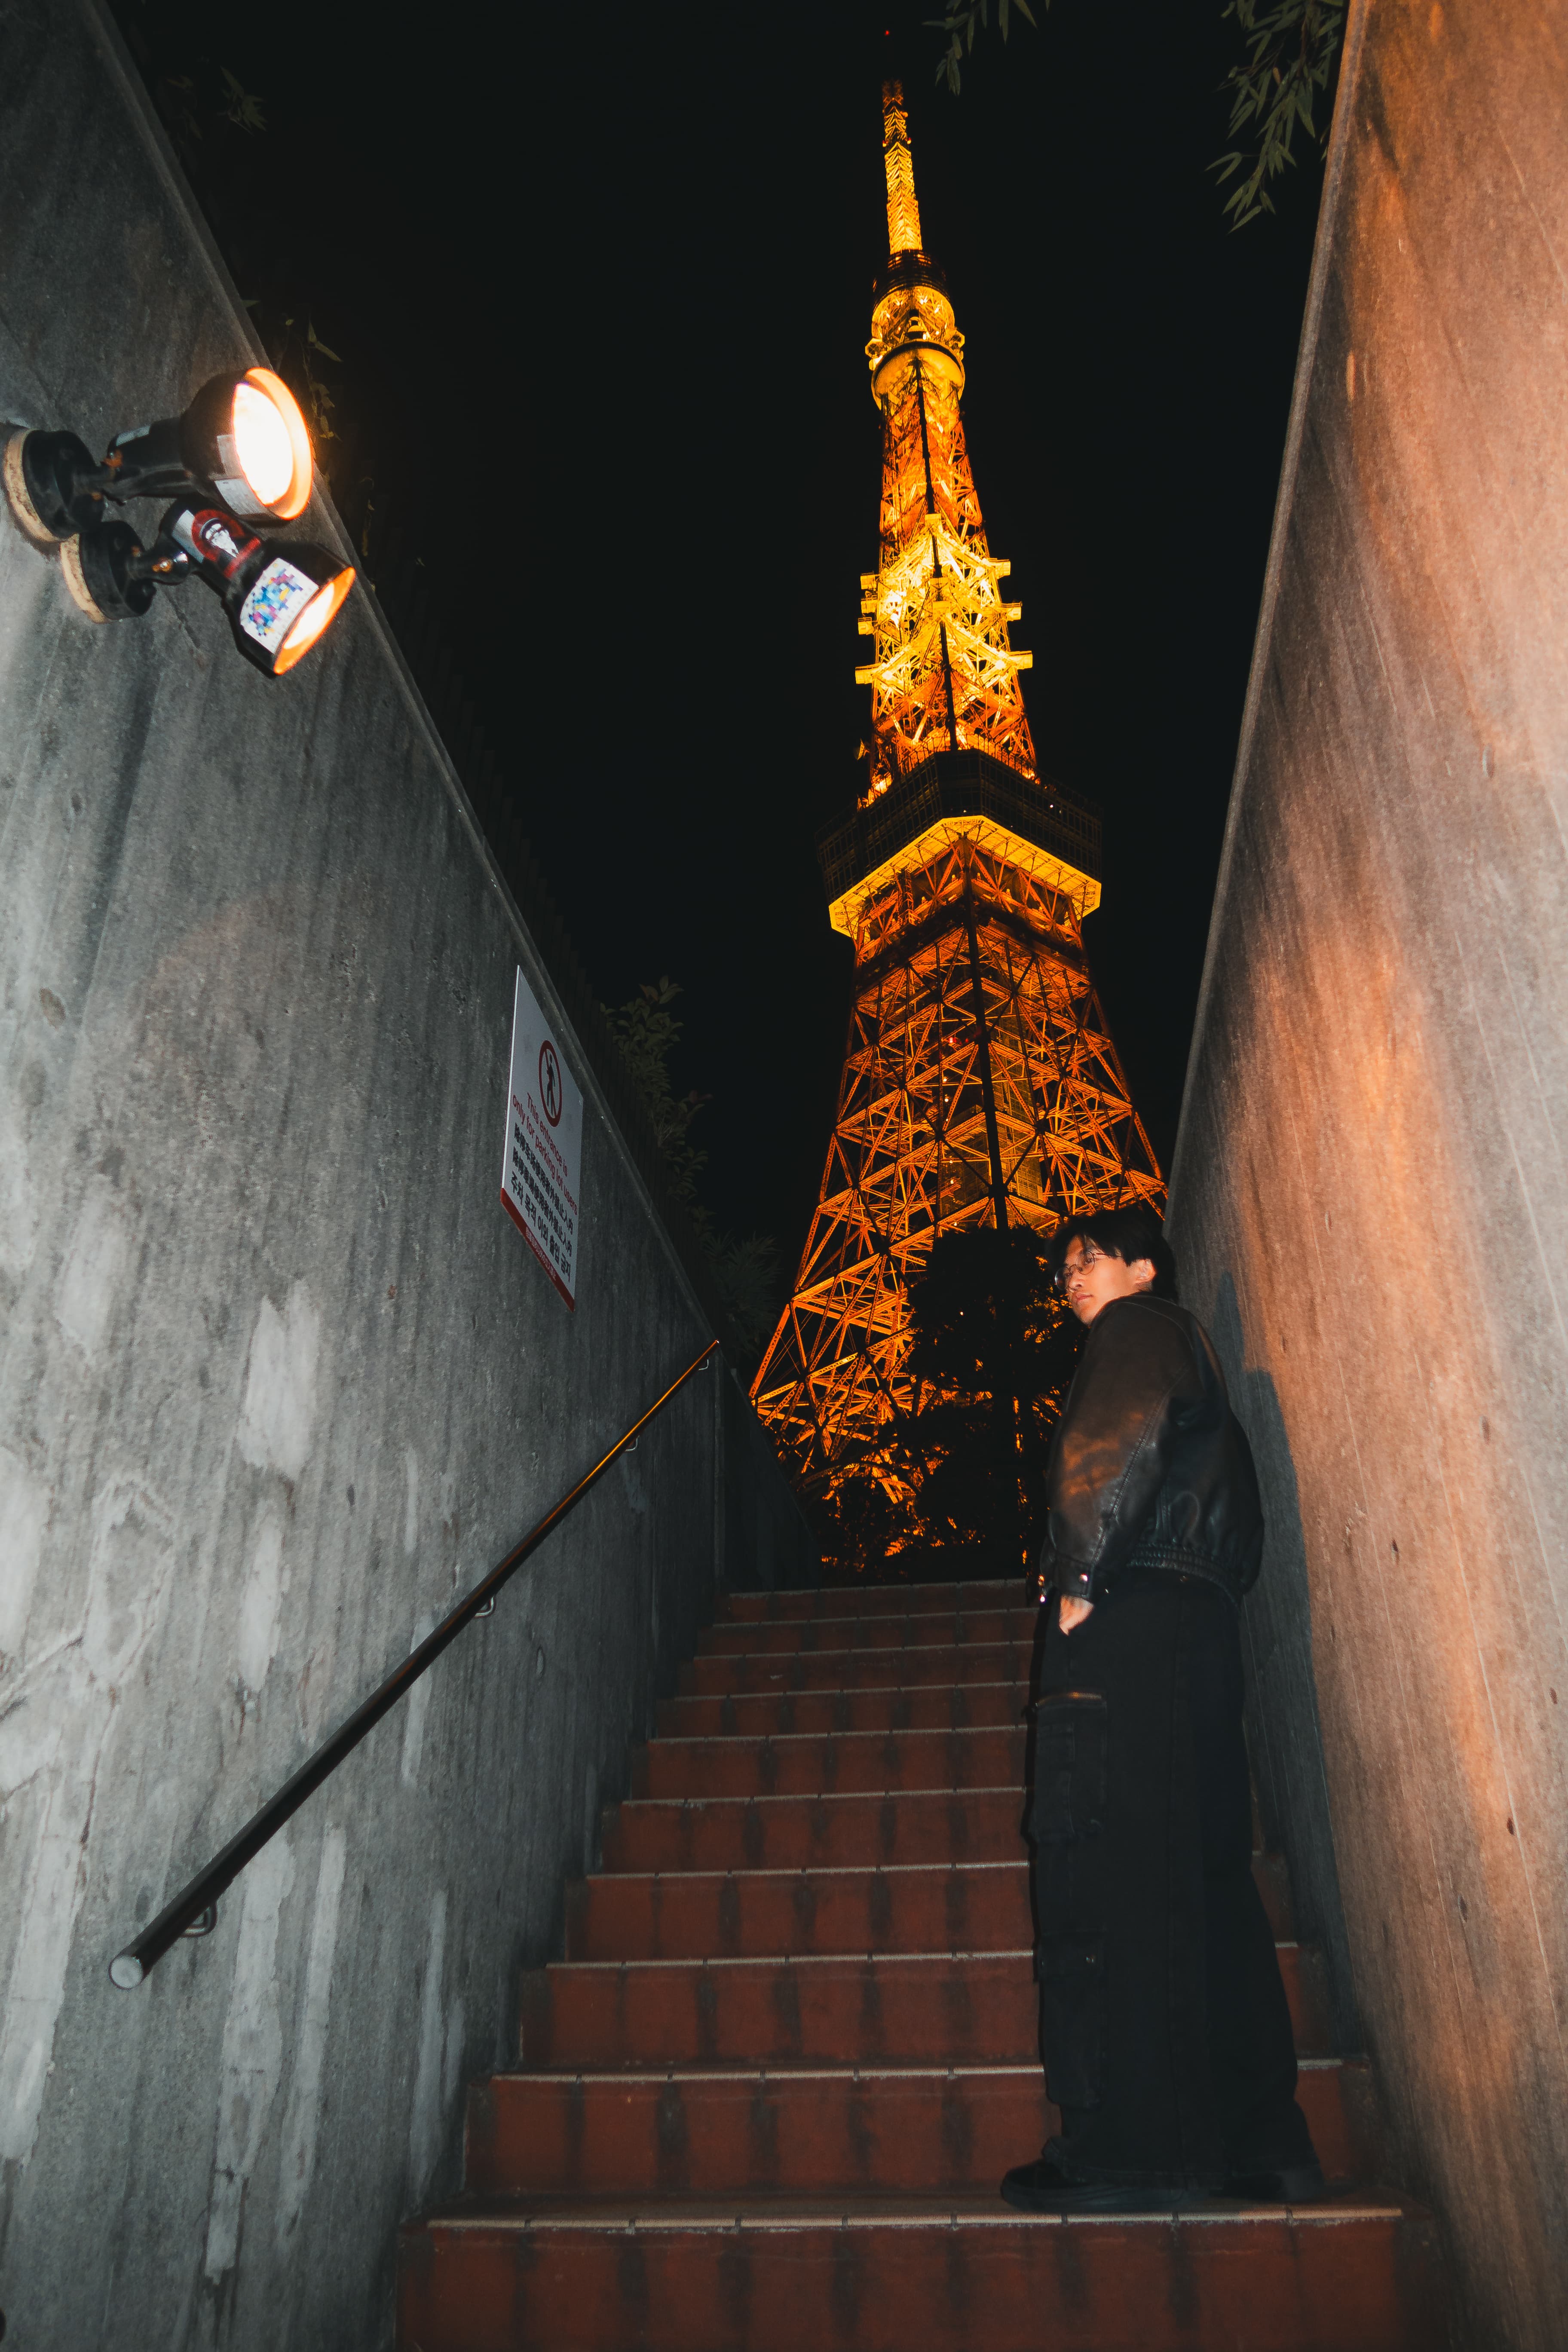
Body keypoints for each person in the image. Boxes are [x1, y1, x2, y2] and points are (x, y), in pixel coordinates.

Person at [1000, 1205, 1323, 2214]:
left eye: (1090, 1257)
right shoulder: (1198, 1358)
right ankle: (1263, 2143)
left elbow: (1109, 1440)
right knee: (1210, 1880)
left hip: (1136, 1606)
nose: (1072, 1277)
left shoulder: (1138, 1332)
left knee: (1126, 1866)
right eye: (1063, 1268)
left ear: (1145, 1268)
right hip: (1198, 1619)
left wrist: (1083, 1568)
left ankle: (1136, 2151)